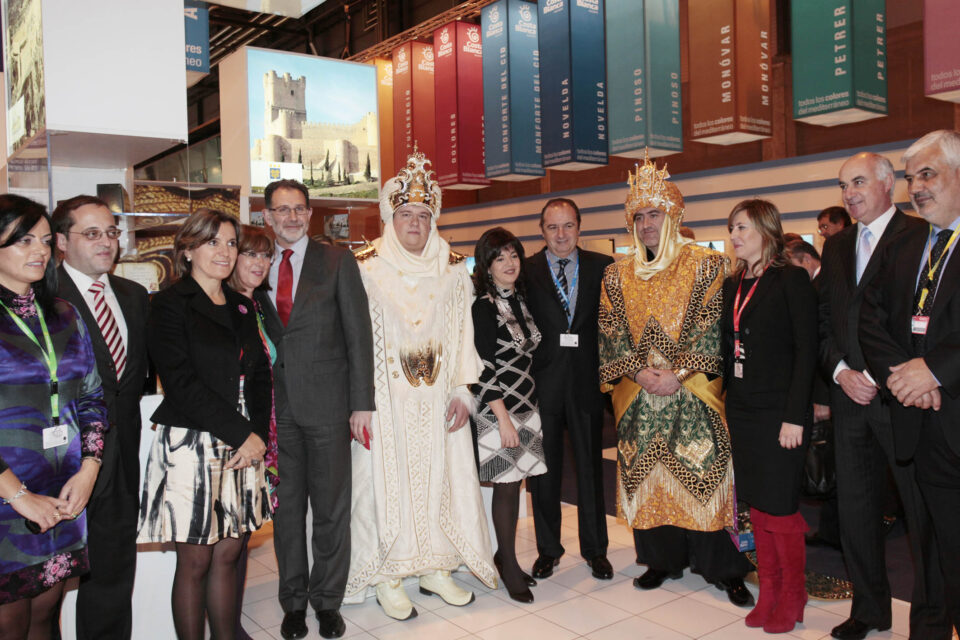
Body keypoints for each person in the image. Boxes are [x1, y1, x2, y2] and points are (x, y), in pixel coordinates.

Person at [345, 147, 496, 621]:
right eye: (406, 213)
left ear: (433, 220)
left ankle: (435, 567)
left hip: (437, 401)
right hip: (384, 402)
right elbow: (354, 339)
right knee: (387, 486)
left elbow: (463, 334)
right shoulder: (365, 266)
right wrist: (360, 401)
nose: (415, 223)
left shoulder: (453, 269)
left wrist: (463, 391)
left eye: (423, 215)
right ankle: (389, 575)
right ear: (391, 217)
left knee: (440, 482)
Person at [597, 155, 752, 606]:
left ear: (674, 216)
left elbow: (713, 324)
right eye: (639, 216)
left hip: (695, 394)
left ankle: (724, 569)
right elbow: (610, 331)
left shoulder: (707, 265)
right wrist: (641, 374)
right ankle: (662, 561)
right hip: (639, 396)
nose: (647, 224)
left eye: (655, 214)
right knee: (649, 480)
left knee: (706, 475)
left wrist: (678, 375)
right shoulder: (615, 274)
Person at [821, 151, 949, 640]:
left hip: (904, 401)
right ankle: (869, 611)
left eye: (857, 182)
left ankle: (931, 623)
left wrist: (894, 374)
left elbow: (930, 325)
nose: (849, 194)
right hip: (849, 399)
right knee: (855, 511)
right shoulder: (835, 247)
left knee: (923, 519)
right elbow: (825, 322)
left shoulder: (921, 235)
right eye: (842, 186)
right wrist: (838, 371)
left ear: (887, 183)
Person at [137, 209, 272, 640]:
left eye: (231, 243)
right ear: (189, 249)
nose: (225, 252)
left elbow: (259, 375)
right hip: (193, 441)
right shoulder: (169, 304)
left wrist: (257, 436)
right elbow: (181, 384)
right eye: (213, 242)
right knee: (195, 560)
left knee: (230, 553)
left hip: (243, 442)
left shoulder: (240, 304)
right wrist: (243, 434)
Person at [255, 180, 374, 640]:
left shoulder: (337, 260)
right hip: (275, 412)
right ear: (267, 216)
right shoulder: (254, 261)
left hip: (329, 407)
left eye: (299, 209)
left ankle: (327, 603)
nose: (290, 217)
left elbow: (358, 334)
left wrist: (362, 404)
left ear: (310, 214)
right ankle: (292, 603)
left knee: (330, 511)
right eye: (281, 210)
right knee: (286, 514)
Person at [860, 130, 960, 636]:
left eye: (928, 174)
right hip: (919, 426)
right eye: (910, 177)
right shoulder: (908, 246)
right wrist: (906, 377)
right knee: (933, 548)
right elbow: (871, 320)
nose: (916, 187)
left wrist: (936, 371)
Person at [0, 195, 107, 638]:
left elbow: (92, 396)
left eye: (45, 240)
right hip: (8, 498)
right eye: (24, 240)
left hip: (64, 493)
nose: (40, 251)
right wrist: (18, 494)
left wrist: (89, 468)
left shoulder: (63, 313)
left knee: (47, 616)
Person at [51, 195, 149, 640]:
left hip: (122, 458)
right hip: (59, 467)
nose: (106, 242)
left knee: (112, 577)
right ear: (60, 241)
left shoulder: (134, 296)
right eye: (91, 234)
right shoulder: (41, 297)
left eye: (111, 232)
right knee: (43, 590)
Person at [722, 199, 818, 634]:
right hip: (742, 409)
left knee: (780, 509)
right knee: (757, 508)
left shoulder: (791, 279)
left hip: (780, 412)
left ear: (765, 229)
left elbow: (806, 351)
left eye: (741, 227)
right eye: (731, 229)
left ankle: (793, 595)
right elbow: (728, 349)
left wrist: (796, 415)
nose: (734, 236)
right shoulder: (733, 283)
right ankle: (771, 591)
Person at [523, 197, 613, 581]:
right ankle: (548, 550)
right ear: (541, 231)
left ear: (580, 226)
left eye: (568, 226)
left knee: (591, 469)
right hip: (542, 385)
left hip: (586, 383)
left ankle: (596, 551)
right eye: (552, 227)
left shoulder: (603, 268)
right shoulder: (525, 271)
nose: (561, 235)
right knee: (544, 472)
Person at [470, 227, 547, 604]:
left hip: (527, 408)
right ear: (486, 265)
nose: (509, 263)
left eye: (513, 255)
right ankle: (509, 565)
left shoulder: (522, 299)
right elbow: (483, 369)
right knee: (505, 486)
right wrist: (502, 419)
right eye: (499, 258)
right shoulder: (482, 306)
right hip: (498, 410)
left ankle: (506, 555)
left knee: (517, 485)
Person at [227, 224, 280, 640]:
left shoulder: (261, 303)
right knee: (227, 536)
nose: (259, 264)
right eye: (250, 254)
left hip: (267, 428)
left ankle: (229, 619)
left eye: (265, 256)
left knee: (244, 530)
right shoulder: (221, 303)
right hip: (235, 430)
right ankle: (225, 624)